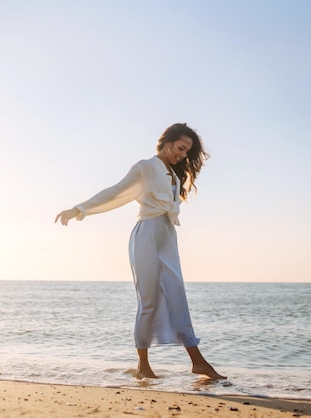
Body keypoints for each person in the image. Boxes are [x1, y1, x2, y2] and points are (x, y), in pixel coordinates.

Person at [55, 123, 226, 380]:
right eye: (181, 148)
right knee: (148, 302)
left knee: (177, 297)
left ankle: (197, 362)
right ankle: (143, 365)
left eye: (187, 151)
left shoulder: (175, 176)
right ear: (167, 141)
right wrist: (79, 209)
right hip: (146, 234)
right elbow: (115, 191)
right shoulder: (145, 167)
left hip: (167, 236)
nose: (183, 154)